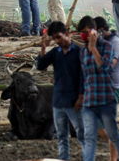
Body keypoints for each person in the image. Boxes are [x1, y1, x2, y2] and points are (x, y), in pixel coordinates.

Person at [77, 16, 119, 161]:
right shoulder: (83, 52)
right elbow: (84, 75)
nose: (84, 35)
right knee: (89, 136)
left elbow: (105, 68)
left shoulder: (109, 46)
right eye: (81, 33)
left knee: (111, 132)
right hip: (90, 98)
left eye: (86, 32)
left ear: (95, 31)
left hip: (107, 95)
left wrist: (93, 48)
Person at [36, 21, 84, 161]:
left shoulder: (78, 52)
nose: (57, 41)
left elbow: (83, 76)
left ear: (67, 34)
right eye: (55, 38)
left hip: (74, 99)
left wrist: (81, 97)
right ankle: (64, 159)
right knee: (62, 136)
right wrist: (43, 49)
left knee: (81, 133)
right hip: (58, 100)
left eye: (59, 37)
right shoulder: (55, 52)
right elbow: (41, 66)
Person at [94, 17, 119, 161]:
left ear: (101, 30)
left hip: (112, 90)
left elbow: (107, 67)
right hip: (104, 89)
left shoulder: (115, 44)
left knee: (103, 126)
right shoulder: (106, 42)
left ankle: (115, 155)